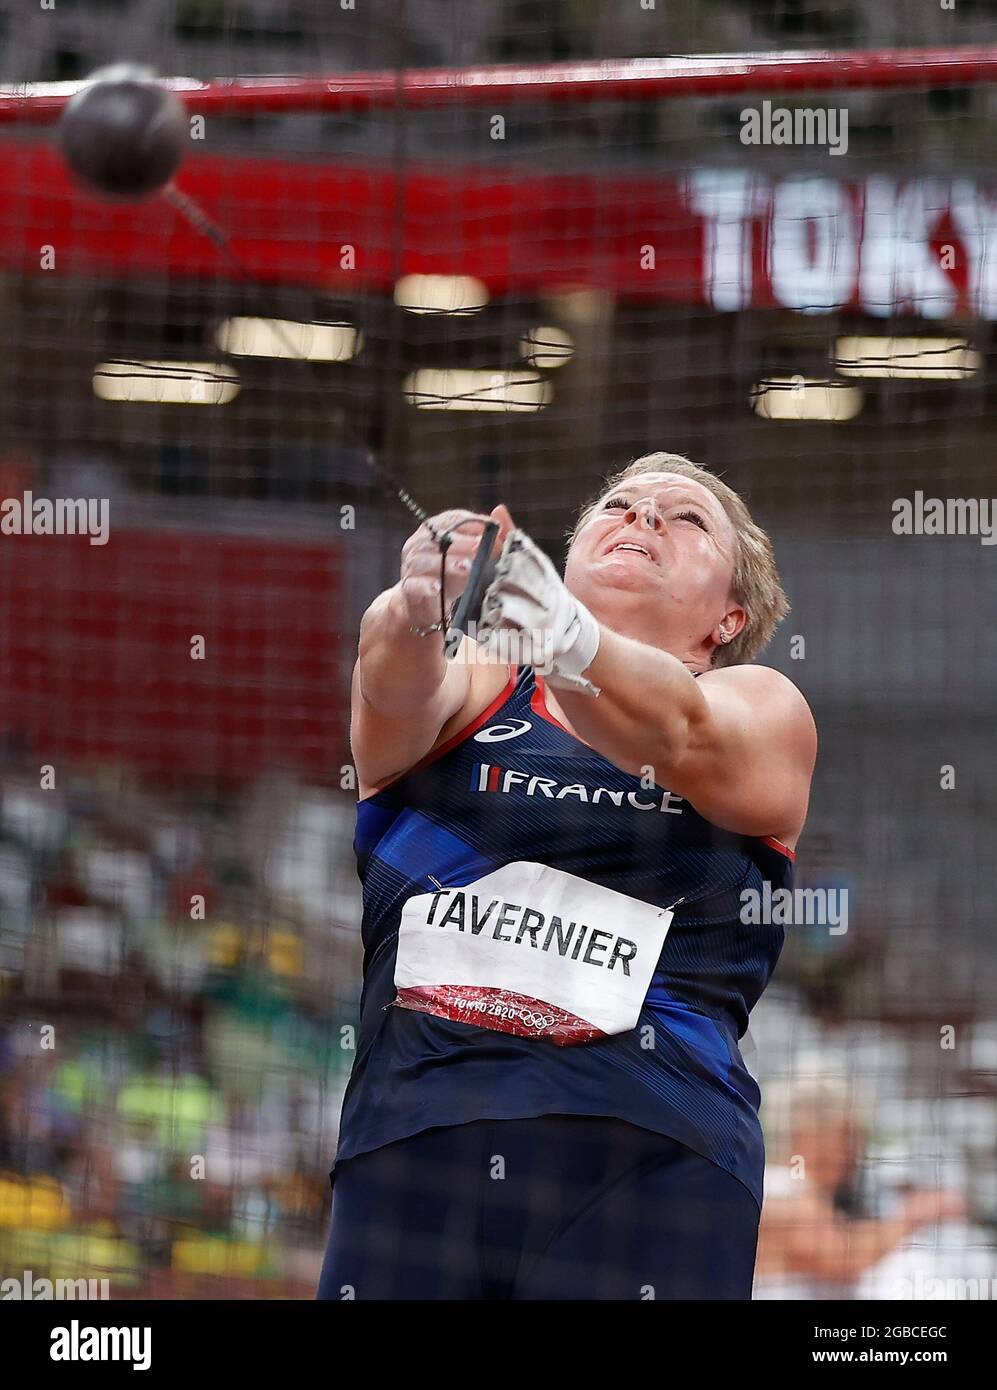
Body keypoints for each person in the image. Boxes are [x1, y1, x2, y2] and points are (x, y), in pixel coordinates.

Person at [317, 451, 817, 1300]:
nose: (643, 518)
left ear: (730, 616)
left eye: (686, 518)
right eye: (618, 505)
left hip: (653, 1150)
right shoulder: (478, 684)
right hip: (415, 1138)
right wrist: (412, 604)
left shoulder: (760, 707)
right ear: (571, 552)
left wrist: (558, 630)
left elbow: (673, 729)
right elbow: (390, 692)